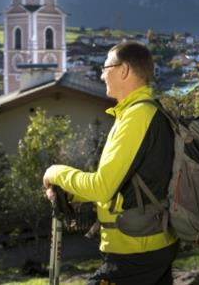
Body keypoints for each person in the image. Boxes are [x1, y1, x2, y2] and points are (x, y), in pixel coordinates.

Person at [43, 41, 178, 285]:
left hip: (135, 253)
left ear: (124, 70)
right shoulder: (141, 112)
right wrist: (73, 194)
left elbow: (103, 187)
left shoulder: (137, 116)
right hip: (148, 245)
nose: (102, 74)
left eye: (106, 67)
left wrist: (56, 172)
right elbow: (123, 184)